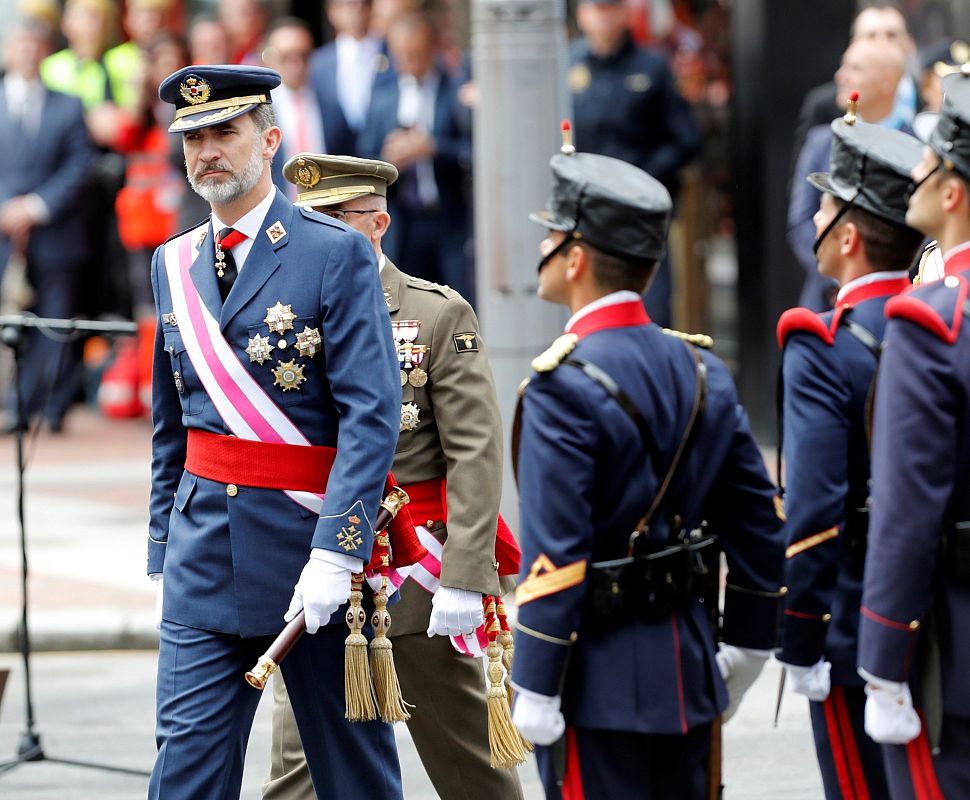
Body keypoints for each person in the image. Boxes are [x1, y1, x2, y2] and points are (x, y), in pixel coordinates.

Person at [148, 64, 404, 799]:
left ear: (269, 141)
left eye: (223, 132)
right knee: (186, 776)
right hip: (204, 561)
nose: (206, 151)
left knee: (355, 779)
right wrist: (165, 543)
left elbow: (371, 414)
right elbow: (174, 426)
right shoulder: (171, 263)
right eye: (192, 138)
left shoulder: (334, 251)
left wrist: (339, 546)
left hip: (308, 558)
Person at [509, 144, 786, 799]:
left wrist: (537, 680)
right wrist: (745, 652)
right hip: (690, 670)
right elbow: (760, 528)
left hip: (594, 684)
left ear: (574, 258)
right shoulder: (704, 372)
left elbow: (556, 554)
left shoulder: (560, 387)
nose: (542, 245)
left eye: (551, 232)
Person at [262, 153, 523, 800]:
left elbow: (475, 453)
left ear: (377, 224)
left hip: (418, 575)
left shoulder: (434, 315)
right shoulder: (288, 316)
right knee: (298, 776)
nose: (314, 237)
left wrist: (465, 575)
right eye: (307, 221)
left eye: (334, 221)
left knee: (474, 772)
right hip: (324, 576)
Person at [776, 113, 925, 799]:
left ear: (849, 236)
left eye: (826, 203)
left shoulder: (824, 346)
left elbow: (813, 514)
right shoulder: (941, 324)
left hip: (854, 618)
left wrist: (803, 636)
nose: (813, 217)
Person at [858, 70, 970, 797]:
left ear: (954, 190)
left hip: (957, 645)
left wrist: (882, 661)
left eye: (928, 162)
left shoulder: (930, 323)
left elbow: (903, 515)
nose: (916, 176)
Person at [567, 0, 701, 328]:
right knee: (586, 310)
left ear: (626, 12)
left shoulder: (652, 67)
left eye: (611, 7)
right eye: (597, 8)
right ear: (582, 15)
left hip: (639, 213)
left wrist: (642, 178)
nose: (604, 17)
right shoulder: (566, 64)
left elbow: (686, 140)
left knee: (649, 308)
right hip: (585, 211)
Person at [0, 15, 94, 433]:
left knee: (52, 324)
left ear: (44, 51)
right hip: (3, 235)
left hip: (55, 233)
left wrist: (36, 207)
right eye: (18, 43)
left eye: (33, 44)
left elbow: (81, 164)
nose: (26, 51)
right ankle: (10, 403)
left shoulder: (68, 104)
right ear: (7, 50)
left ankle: (38, 408)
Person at [358, 12, 474, 302]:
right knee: (406, 301)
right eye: (403, 55)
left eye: (417, 53)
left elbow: (474, 151)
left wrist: (432, 148)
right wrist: (389, 161)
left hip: (447, 217)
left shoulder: (454, 91)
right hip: (403, 218)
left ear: (431, 49)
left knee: (455, 299)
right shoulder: (384, 97)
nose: (410, 62)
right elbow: (363, 156)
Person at [788, 40, 909, 312]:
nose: (840, 75)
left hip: (895, 301)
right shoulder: (821, 141)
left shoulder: (916, 146)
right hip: (827, 300)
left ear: (887, 80)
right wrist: (840, 272)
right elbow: (801, 222)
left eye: (855, 68)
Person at [308, 0, 392, 158]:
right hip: (338, 167)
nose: (356, 9)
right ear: (332, 11)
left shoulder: (394, 54)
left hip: (388, 167)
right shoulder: (318, 63)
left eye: (361, 3)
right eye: (348, 3)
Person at [263, 18, 327, 197]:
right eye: (287, 57)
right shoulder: (259, 111)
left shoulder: (330, 106)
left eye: (303, 56)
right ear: (270, 59)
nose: (297, 65)